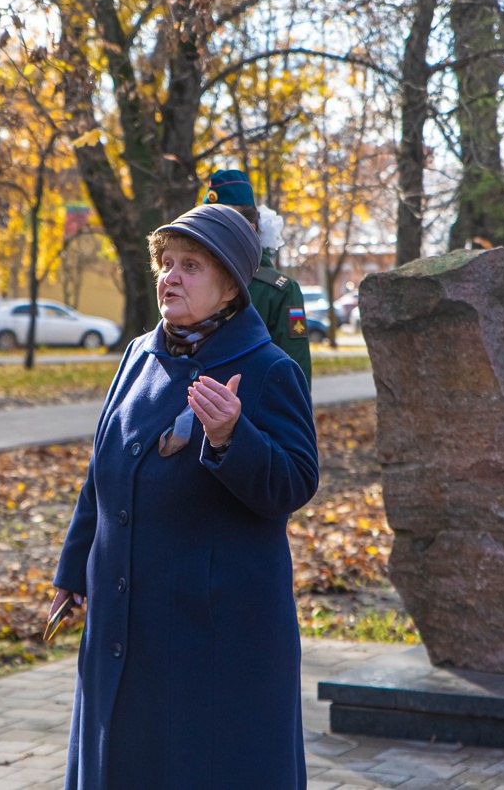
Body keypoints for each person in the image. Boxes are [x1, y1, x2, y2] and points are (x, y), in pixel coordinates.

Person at [48, 203, 319, 789]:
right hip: (124, 616)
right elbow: (103, 470)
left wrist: (232, 438)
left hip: (212, 633)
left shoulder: (268, 368)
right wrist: (74, 570)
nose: (170, 277)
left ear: (232, 284)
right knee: (122, 761)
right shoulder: (138, 355)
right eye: (166, 263)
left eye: (190, 265)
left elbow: (296, 482)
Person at [203, 168, 312, 386]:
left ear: (250, 229)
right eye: (207, 223)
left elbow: (294, 377)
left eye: (223, 225)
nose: (211, 233)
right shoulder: (184, 281)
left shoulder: (278, 290)